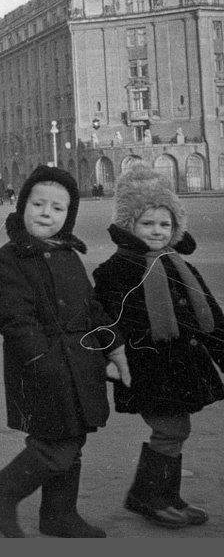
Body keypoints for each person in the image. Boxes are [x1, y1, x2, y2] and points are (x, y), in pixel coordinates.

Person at [0, 165, 130, 538]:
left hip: (82, 363)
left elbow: (92, 309)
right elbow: (15, 320)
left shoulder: (67, 255)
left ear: (68, 215)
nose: (46, 213)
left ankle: (60, 515)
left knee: (72, 439)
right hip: (43, 369)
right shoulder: (9, 258)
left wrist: (115, 349)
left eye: (57, 208)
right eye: (38, 203)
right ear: (22, 206)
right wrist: (42, 362)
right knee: (53, 444)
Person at [91, 167, 223, 529]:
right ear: (129, 226)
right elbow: (106, 322)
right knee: (171, 429)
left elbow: (209, 315)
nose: (156, 231)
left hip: (179, 368)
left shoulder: (179, 265)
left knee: (176, 430)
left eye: (164, 225)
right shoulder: (116, 271)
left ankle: (166, 496)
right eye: (147, 224)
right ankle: (149, 497)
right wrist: (111, 361)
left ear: (175, 228)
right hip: (147, 370)